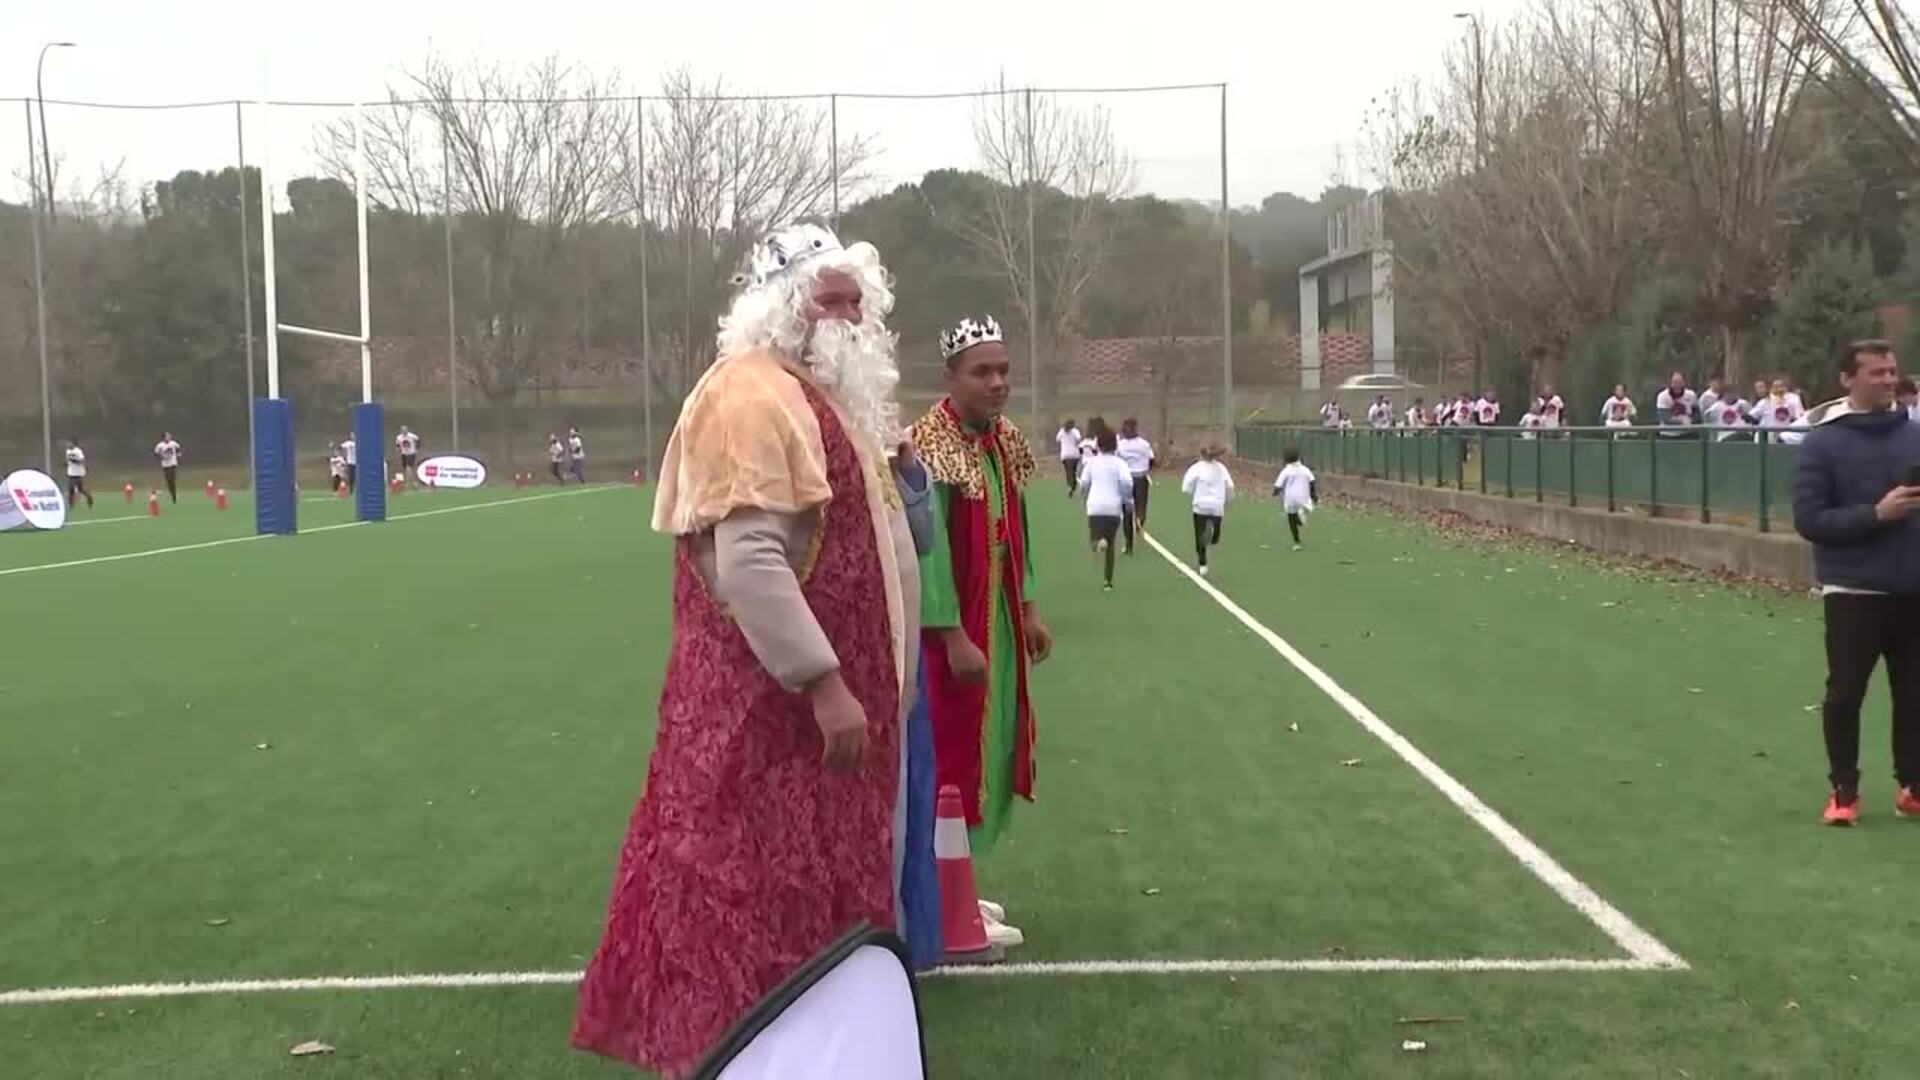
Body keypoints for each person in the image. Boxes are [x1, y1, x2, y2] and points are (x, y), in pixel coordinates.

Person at [572, 223, 931, 1075]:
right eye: (829, 299)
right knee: (747, 910)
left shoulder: (811, 395)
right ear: (780, 307)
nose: (848, 318)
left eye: (856, 301)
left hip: (815, 743)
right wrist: (825, 683)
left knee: (809, 913)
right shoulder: (751, 395)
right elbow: (749, 560)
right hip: (770, 729)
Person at [910, 312, 1054, 939]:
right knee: (950, 749)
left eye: (1003, 371)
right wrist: (949, 634)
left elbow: (1016, 528)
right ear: (951, 376)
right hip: (956, 624)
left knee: (990, 743)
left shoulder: (1002, 439)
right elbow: (928, 551)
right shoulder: (930, 445)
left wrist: (1025, 608)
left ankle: (958, 879)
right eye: (982, 372)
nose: (997, 383)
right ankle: (942, 900)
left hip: (994, 612)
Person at [1792, 340, 1920, 826]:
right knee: (1846, 693)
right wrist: (1876, 514)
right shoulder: (1822, 443)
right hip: (1855, 591)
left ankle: (1913, 785)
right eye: (1877, 373)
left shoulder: (1915, 435)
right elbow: (1811, 520)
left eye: (1892, 371)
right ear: (1848, 380)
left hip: (1913, 588)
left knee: (1914, 695)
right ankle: (1843, 790)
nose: (1888, 380)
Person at [1076, 427, 1133, 590]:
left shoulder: (1092, 462)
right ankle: (1108, 581)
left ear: (1098, 446)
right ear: (1115, 446)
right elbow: (1127, 482)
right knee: (1111, 544)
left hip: (1095, 506)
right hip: (1113, 507)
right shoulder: (1120, 463)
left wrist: (1083, 495)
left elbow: (1084, 483)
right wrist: (1127, 499)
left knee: (1095, 540)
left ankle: (1099, 541)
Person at [1182, 444, 1235, 576]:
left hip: (1200, 505)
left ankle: (1202, 564)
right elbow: (1230, 486)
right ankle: (1213, 534)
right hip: (1217, 505)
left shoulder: (1196, 468)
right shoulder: (1221, 468)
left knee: (1199, 535)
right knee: (1214, 538)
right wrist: (1227, 499)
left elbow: (1186, 488)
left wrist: (1194, 490)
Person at [1115, 417, 1156, 553]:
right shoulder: (1144, 444)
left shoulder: (1120, 445)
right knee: (1141, 505)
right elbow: (1152, 460)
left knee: (1127, 512)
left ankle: (1128, 545)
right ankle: (1139, 520)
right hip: (1141, 477)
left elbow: (1116, 461)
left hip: (1126, 479)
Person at [1273, 448, 1315, 550]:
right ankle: (1300, 516)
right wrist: (1314, 494)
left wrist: (1275, 492)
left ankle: (1297, 542)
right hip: (1303, 498)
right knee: (1307, 508)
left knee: (1291, 519)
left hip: (1290, 498)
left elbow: (1278, 485)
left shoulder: (1286, 471)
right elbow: (1312, 481)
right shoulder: (1305, 469)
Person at [1656, 371, 1697, 436]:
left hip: (1687, 433)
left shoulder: (1691, 394)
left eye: (1680, 382)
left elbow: (1695, 412)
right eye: (1675, 382)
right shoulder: (1663, 396)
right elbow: (1664, 417)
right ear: (1670, 382)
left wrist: (1692, 421)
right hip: (1667, 434)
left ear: (1684, 382)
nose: (1677, 385)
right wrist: (1682, 422)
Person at [1054, 417, 1083, 495]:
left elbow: (1057, 439)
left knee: (1069, 472)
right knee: (1072, 472)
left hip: (1065, 455)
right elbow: (1079, 439)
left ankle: (1071, 486)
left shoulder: (1062, 431)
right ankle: (1072, 486)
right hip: (1075, 455)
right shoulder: (1075, 431)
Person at [64, 439, 93, 508]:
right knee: (79, 489)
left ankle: (71, 504)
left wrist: (76, 461)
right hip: (71, 472)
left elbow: (82, 460)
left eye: (69, 443)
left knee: (72, 488)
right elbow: (68, 460)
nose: (67, 445)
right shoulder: (68, 451)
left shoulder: (78, 451)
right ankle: (88, 498)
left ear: (73, 444)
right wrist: (66, 463)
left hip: (78, 473)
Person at [154, 432, 182, 503]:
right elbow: (156, 453)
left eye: (169, 436)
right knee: (168, 481)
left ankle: (174, 496)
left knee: (172, 479)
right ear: (164, 437)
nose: (169, 437)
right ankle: (172, 493)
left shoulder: (173, 443)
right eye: (167, 436)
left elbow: (178, 448)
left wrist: (178, 453)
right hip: (165, 465)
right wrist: (162, 457)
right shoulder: (160, 445)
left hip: (173, 464)